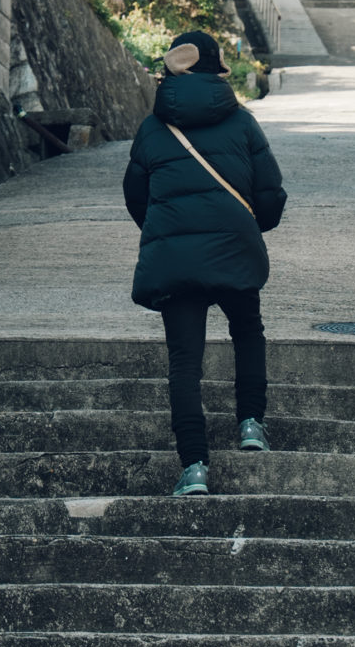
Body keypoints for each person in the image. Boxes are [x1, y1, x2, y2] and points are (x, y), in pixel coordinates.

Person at [122, 28, 286, 494]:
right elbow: (269, 193)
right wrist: (252, 225)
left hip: (174, 259)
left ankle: (194, 466)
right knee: (247, 332)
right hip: (234, 250)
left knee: (184, 361)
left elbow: (136, 196)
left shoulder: (153, 127)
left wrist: (168, 231)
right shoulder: (242, 122)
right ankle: (251, 424)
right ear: (216, 70)